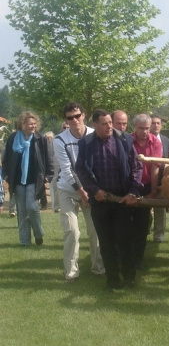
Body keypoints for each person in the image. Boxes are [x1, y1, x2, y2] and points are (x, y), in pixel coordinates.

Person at [75, 109, 143, 291]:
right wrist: (94, 190)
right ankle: (112, 281)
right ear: (95, 125)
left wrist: (133, 192)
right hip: (100, 202)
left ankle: (129, 278)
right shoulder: (86, 143)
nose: (109, 127)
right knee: (106, 243)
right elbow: (80, 169)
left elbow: (137, 167)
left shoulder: (125, 140)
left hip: (122, 200)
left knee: (124, 240)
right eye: (104, 124)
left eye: (110, 123)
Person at [53, 102, 105, 283]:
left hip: (92, 189)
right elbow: (67, 170)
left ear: (83, 115)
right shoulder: (59, 140)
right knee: (72, 232)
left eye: (77, 115)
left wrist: (92, 190)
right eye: (70, 117)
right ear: (65, 120)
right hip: (68, 190)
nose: (74, 120)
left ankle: (98, 267)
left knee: (95, 230)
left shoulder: (94, 134)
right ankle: (71, 272)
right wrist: (82, 192)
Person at [2, 111, 53, 246]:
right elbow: (6, 159)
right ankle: (24, 241)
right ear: (22, 124)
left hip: (35, 179)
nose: (33, 126)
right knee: (22, 211)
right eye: (30, 124)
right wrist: (6, 174)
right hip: (17, 180)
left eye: (35, 123)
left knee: (32, 207)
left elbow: (48, 159)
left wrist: (48, 176)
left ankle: (38, 233)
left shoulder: (40, 138)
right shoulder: (13, 138)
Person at [131, 114, 162, 268]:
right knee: (126, 223)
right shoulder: (127, 140)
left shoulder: (155, 142)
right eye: (141, 128)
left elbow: (156, 167)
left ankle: (137, 259)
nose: (144, 131)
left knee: (142, 224)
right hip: (129, 187)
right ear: (135, 127)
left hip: (146, 186)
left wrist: (154, 191)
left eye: (147, 128)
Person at [150, 114, 169, 243]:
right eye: (153, 123)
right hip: (146, 180)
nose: (156, 125)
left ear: (161, 125)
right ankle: (145, 229)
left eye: (158, 123)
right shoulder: (143, 139)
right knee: (144, 209)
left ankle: (158, 235)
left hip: (162, 180)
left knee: (160, 208)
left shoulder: (166, 140)